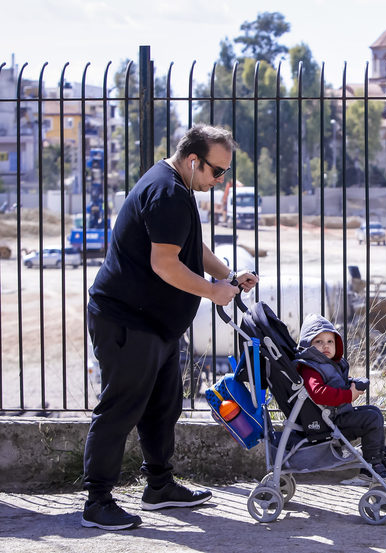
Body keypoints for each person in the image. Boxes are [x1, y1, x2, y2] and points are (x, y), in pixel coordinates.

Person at [82, 124, 259, 530]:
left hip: (156, 323)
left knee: (163, 407)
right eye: (217, 172)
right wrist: (213, 292)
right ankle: (97, 501)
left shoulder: (176, 187)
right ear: (193, 160)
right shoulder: (167, 193)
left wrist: (228, 274)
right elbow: (166, 264)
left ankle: (159, 486)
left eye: (225, 174)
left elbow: (188, 246)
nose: (220, 181)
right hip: (128, 319)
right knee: (120, 408)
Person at [295, 313, 386, 479]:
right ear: (307, 345)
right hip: (327, 423)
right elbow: (319, 393)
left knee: (374, 411)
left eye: (329, 341)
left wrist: (352, 383)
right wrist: (349, 395)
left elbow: (333, 383)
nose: (325, 346)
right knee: (370, 419)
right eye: (318, 341)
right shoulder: (310, 369)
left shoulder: (327, 365)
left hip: (335, 416)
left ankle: (380, 455)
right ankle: (372, 465)